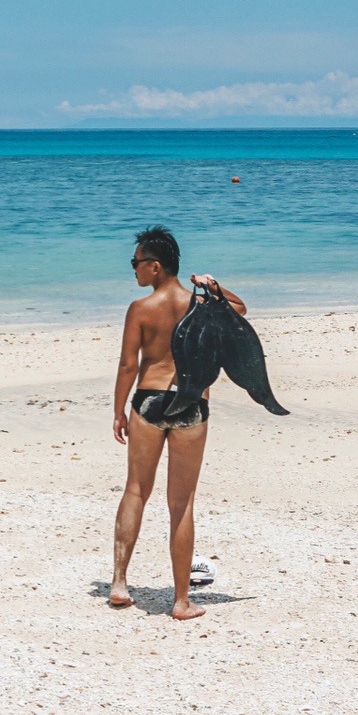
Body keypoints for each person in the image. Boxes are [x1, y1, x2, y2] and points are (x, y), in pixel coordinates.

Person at [110, 224, 247, 621]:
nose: (133, 269)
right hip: (190, 405)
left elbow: (128, 365)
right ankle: (181, 601)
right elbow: (240, 310)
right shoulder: (201, 305)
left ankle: (120, 584)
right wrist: (213, 286)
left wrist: (119, 410)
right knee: (181, 504)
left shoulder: (140, 309)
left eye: (136, 263)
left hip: (149, 401)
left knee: (136, 490)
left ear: (155, 267)